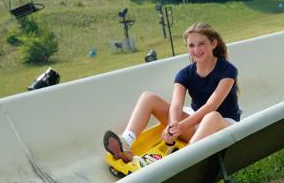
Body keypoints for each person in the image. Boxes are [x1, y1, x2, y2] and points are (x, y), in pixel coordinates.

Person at [103, 22, 241, 162]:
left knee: (212, 116)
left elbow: (211, 106)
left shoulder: (227, 70)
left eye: (201, 44)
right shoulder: (185, 74)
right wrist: (173, 125)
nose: (196, 49)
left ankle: (185, 159)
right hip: (194, 124)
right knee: (148, 97)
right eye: (191, 45)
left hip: (222, 124)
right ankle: (125, 143)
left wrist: (182, 126)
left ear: (213, 43)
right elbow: (176, 104)